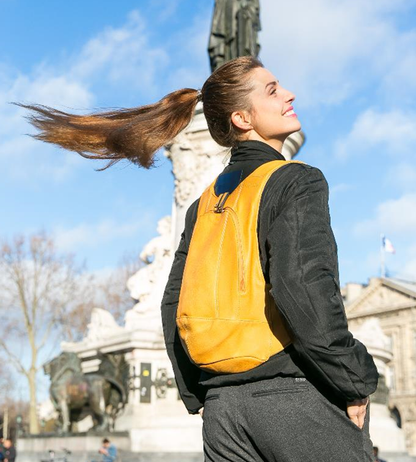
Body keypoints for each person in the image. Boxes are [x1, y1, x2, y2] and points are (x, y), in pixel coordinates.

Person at [20, 55, 379, 461]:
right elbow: (306, 291)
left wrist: (197, 393)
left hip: (223, 414)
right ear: (243, 119)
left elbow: (173, 303)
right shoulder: (295, 180)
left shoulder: (202, 204)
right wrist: (355, 379)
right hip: (291, 398)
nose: (289, 94)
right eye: (273, 89)